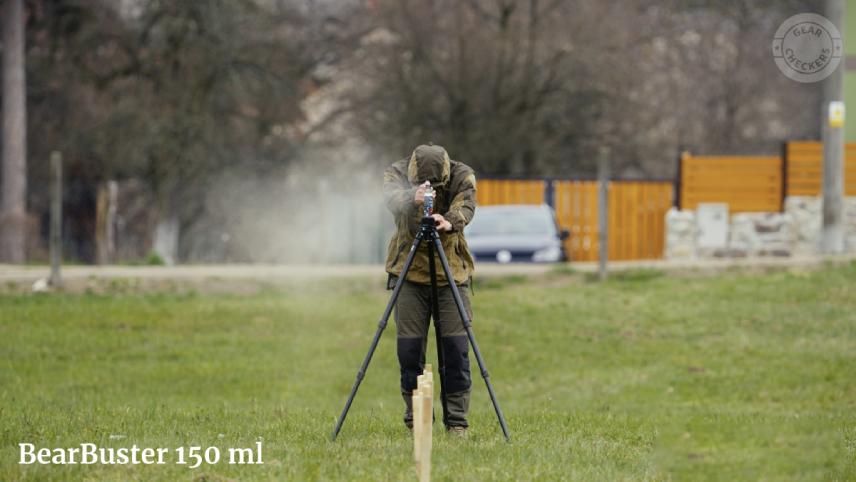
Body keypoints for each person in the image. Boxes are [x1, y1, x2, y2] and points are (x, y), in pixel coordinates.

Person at [382, 143, 477, 436]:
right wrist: (413, 196)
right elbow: (389, 198)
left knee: (456, 350)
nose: (429, 187)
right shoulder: (395, 172)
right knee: (410, 351)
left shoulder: (462, 175)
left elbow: (467, 205)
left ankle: (457, 423)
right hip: (409, 273)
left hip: (451, 273)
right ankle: (417, 420)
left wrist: (449, 221)